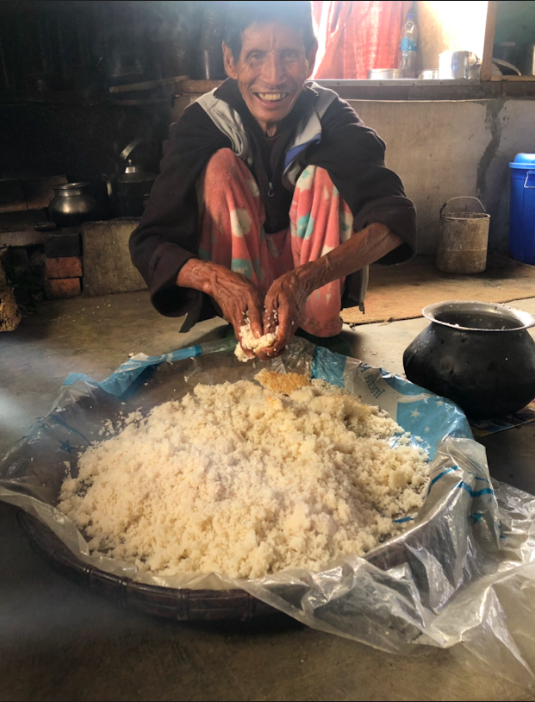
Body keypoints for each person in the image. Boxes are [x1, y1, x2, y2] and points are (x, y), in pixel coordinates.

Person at [130, 1, 416, 360]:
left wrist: (306, 279)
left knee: (322, 177)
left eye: (289, 55)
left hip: (314, 290)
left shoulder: (332, 117)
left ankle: (317, 327)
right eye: (255, 56)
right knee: (219, 165)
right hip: (239, 285)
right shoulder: (202, 123)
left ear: (310, 57)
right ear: (229, 60)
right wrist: (216, 281)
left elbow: (394, 221)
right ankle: (249, 325)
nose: (274, 76)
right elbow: (149, 242)